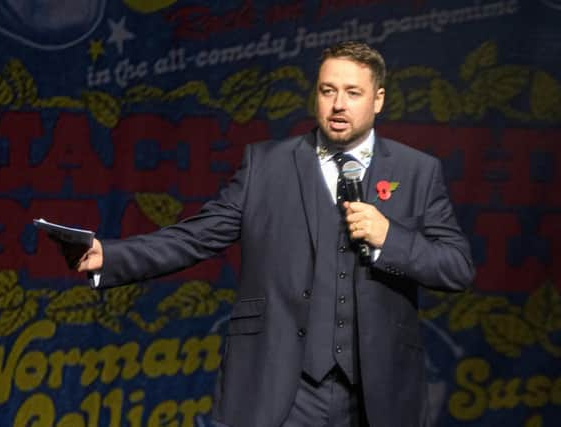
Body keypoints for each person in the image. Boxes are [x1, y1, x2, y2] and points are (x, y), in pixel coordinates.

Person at [61, 41, 475, 427]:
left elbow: (457, 268)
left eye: (353, 92)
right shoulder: (266, 165)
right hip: (283, 386)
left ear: (378, 99)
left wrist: (391, 238)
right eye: (327, 90)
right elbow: (197, 236)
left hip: (378, 392)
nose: (337, 104)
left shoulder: (418, 171)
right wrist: (110, 256)